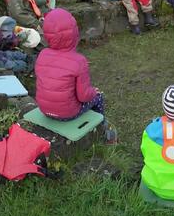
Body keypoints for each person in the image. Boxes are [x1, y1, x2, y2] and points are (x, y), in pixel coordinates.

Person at [34, 8, 117, 143]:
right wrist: (93, 92)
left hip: (44, 109)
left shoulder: (42, 54)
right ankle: (102, 130)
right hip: (67, 113)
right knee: (99, 96)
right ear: (74, 33)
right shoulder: (79, 61)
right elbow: (84, 96)